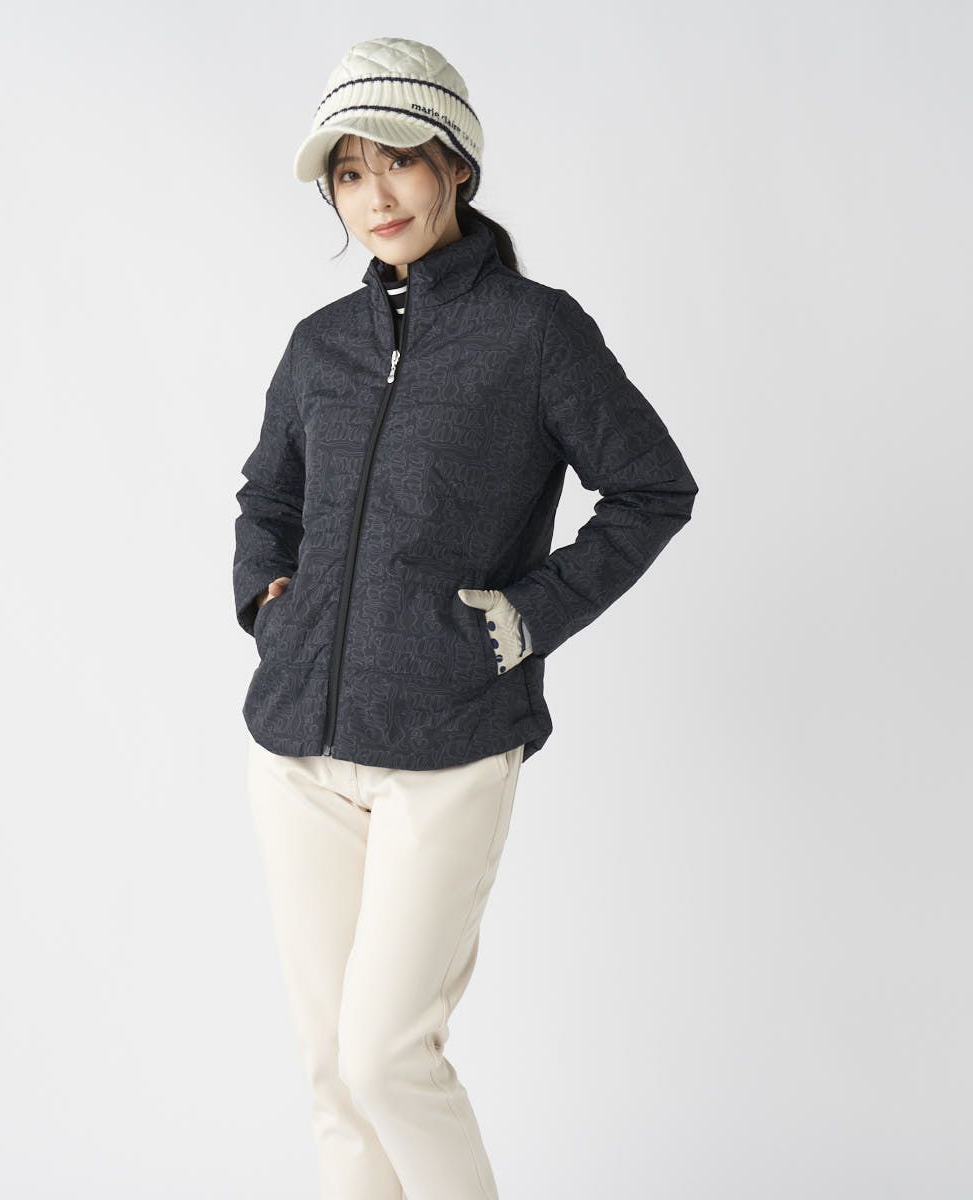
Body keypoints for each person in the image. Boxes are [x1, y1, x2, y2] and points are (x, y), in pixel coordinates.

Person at [233, 35, 699, 1200]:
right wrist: (267, 602)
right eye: (348, 173)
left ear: (455, 166)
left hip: (446, 742)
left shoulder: (535, 332)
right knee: (332, 1076)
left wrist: (531, 616)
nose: (374, 194)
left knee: (387, 1059)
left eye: (397, 160)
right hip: (298, 752)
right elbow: (267, 497)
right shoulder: (318, 345)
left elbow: (652, 487)